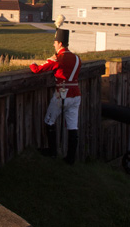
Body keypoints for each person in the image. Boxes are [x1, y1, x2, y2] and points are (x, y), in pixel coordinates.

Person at [30, 20, 82, 164]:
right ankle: (70, 159)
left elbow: (36, 69)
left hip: (61, 94)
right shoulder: (78, 58)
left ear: (59, 43)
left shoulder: (58, 58)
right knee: (73, 127)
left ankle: (52, 151)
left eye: (54, 42)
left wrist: (31, 63)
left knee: (49, 120)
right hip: (76, 94)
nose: (53, 44)